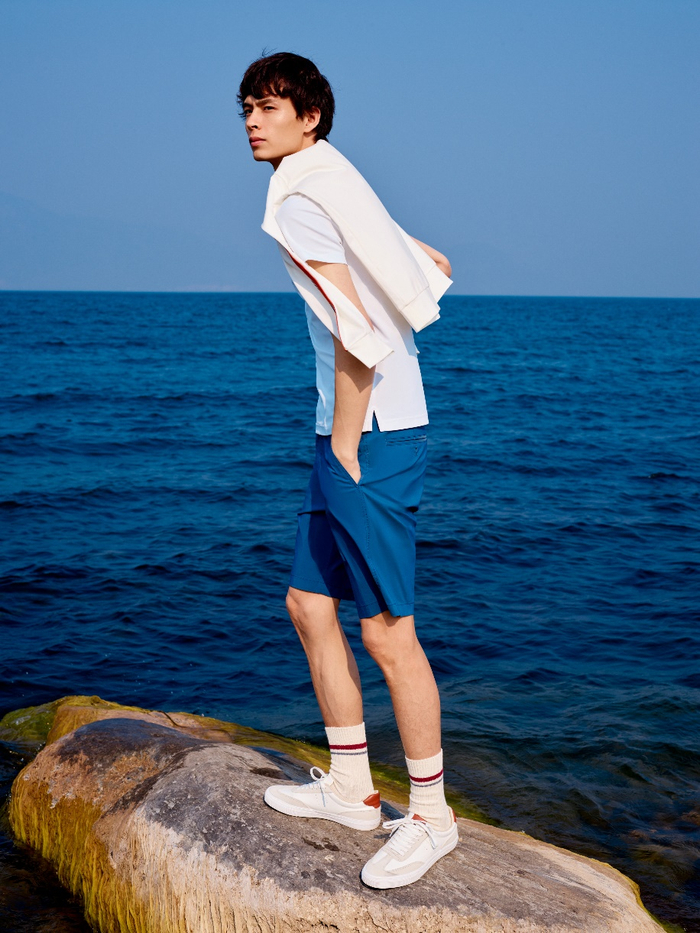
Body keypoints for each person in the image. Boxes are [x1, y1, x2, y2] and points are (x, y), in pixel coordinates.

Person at [238, 52, 457, 889]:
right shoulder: (333, 179)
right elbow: (432, 261)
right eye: (246, 107)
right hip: (362, 428)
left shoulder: (301, 197)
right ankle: (354, 788)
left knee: (388, 631)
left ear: (311, 117)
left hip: (369, 435)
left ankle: (431, 817)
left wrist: (341, 444)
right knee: (307, 602)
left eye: (270, 107)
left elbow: (354, 332)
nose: (253, 120)